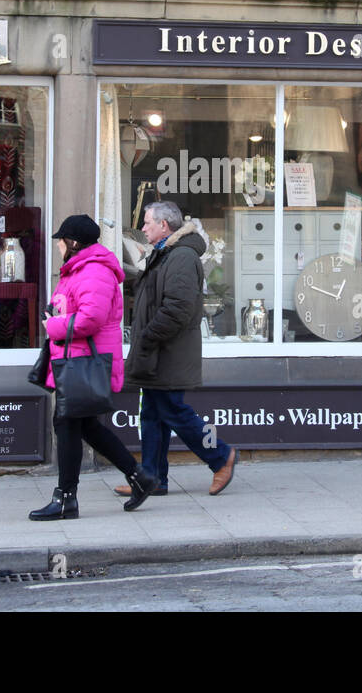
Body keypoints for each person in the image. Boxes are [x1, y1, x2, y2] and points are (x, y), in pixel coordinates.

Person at [30, 214, 158, 520]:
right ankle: (139, 477)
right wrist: (55, 312)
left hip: (82, 361)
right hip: (72, 359)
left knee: (68, 424)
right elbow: (69, 304)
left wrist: (55, 325)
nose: (59, 245)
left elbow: (91, 318)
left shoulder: (93, 271)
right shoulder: (79, 269)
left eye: (61, 240)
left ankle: (65, 500)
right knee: (83, 425)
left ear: (73, 243)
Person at [115, 200, 237, 499]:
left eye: (147, 223)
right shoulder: (164, 254)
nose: (143, 228)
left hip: (168, 351)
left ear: (164, 226)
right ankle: (152, 478)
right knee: (152, 415)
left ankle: (220, 456)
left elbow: (178, 308)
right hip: (158, 352)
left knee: (173, 412)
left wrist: (146, 336)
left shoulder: (181, 257)